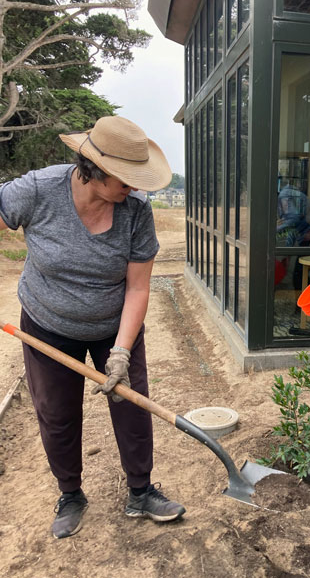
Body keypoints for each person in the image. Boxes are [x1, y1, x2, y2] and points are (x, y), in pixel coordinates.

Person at [0, 115, 186, 539]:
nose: (135, 189)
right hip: (47, 324)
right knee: (57, 413)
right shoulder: (38, 190)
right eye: (126, 180)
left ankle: (140, 491)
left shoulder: (137, 211)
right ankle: (71, 494)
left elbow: (138, 288)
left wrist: (121, 351)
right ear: (94, 171)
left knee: (132, 405)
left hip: (114, 326)